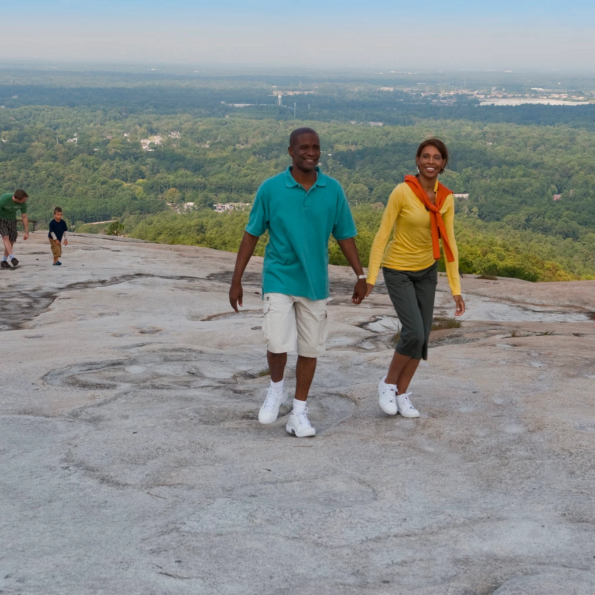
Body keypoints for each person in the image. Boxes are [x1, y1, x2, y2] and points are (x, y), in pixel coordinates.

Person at [229, 127, 368, 437]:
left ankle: (299, 412)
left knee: (310, 348)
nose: (310, 152)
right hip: (278, 275)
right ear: (290, 151)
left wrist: (361, 275)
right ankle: (275, 390)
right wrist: (236, 280)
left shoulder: (332, 189)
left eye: (315, 147)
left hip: (315, 282)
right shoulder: (271, 189)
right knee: (277, 342)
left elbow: (344, 235)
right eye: (304, 147)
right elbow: (252, 233)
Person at [366, 138, 465, 418]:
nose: (430, 162)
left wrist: (455, 288)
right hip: (398, 270)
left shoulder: (446, 198)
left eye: (436, 157)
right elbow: (382, 234)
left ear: (444, 163)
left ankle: (402, 393)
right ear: (417, 161)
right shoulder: (402, 192)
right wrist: (371, 277)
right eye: (425, 156)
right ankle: (387, 384)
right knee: (413, 333)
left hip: (427, 272)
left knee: (422, 339)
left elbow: (450, 242)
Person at [0, 189, 29, 269]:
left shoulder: (23, 203)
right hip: (1, 219)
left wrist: (26, 232)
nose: (25, 200)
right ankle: (12, 257)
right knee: (6, 237)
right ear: (18, 199)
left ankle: (4, 261)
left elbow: (24, 216)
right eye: (23, 199)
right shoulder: (4, 199)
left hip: (12, 220)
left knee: (11, 240)